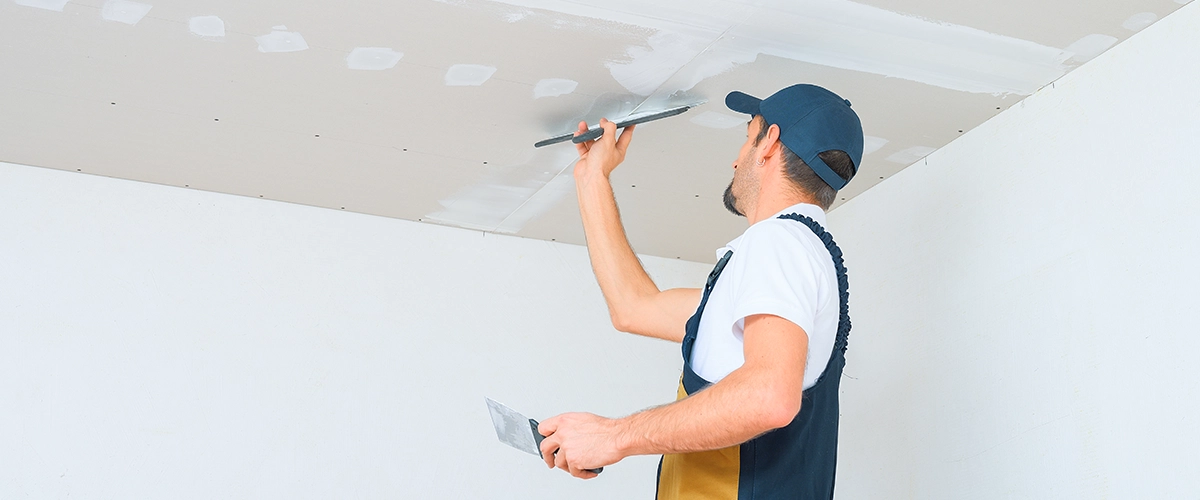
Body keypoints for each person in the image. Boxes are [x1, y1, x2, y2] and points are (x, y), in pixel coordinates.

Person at [537, 84, 864, 499]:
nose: (736, 158)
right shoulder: (790, 262)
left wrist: (614, 436)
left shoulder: (778, 244)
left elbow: (769, 398)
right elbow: (634, 307)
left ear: (770, 144)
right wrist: (591, 177)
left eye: (747, 138)